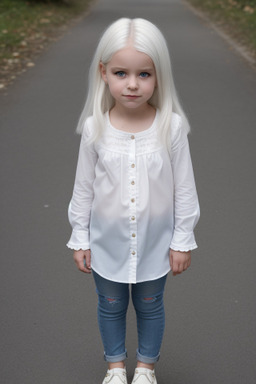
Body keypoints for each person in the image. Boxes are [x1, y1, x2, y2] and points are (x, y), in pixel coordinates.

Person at [67, 18, 200, 384]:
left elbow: (184, 188)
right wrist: (80, 235)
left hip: (155, 242)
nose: (131, 84)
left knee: (150, 304)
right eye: (121, 73)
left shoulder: (170, 127)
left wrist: (182, 239)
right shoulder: (95, 127)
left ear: (159, 77)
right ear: (104, 73)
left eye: (144, 74)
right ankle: (114, 367)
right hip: (106, 241)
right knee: (109, 305)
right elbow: (83, 187)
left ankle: (145, 368)